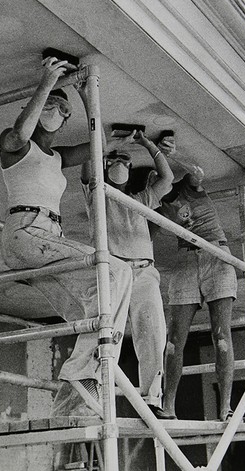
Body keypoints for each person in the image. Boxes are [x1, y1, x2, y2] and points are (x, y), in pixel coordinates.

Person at [0, 56, 133, 416]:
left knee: (92, 309)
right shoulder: (18, 147)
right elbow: (20, 132)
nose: (57, 110)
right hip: (26, 231)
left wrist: (86, 95)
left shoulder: (56, 157)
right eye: (52, 105)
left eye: (63, 108)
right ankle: (82, 372)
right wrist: (46, 84)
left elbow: (99, 146)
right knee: (119, 272)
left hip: (46, 238)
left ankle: (77, 395)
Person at [81, 130, 176, 419]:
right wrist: (108, 145)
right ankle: (97, 396)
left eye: (124, 160)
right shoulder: (99, 195)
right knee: (110, 335)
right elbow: (87, 170)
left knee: (153, 334)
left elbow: (167, 179)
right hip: (115, 272)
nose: (119, 163)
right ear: (106, 166)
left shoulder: (141, 198)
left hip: (145, 273)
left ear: (131, 169)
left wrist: (147, 144)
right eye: (114, 160)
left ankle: (152, 399)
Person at [157, 153, 237, 421]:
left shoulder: (188, 188)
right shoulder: (158, 202)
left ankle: (225, 407)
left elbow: (198, 171)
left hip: (217, 254)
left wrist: (168, 153)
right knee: (174, 340)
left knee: (221, 336)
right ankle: (168, 407)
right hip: (186, 258)